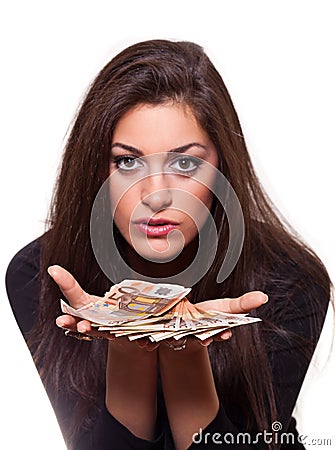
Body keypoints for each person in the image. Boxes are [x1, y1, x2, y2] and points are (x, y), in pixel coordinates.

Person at [5, 39, 331, 450]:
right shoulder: (40, 273)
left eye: (185, 163)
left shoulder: (288, 283)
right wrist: (131, 352)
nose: (156, 196)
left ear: (221, 167)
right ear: (94, 168)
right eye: (127, 161)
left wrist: (183, 354)